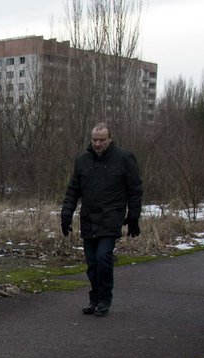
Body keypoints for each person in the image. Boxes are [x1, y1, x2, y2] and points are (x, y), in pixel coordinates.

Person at [60, 123, 143, 317]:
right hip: (89, 218)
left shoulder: (124, 158)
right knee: (92, 263)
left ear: (110, 139)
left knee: (103, 257)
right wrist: (66, 214)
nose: (98, 144)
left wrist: (133, 217)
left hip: (111, 216)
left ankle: (105, 299)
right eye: (94, 140)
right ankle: (95, 298)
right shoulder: (82, 161)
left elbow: (135, 189)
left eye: (102, 140)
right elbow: (73, 190)